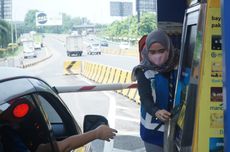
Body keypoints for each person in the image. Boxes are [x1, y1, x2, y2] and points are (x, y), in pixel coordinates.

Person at [131, 29, 179, 152]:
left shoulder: (178, 64)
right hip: (152, 131)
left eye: (161, 51)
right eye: (153, 52)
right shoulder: (143, 70)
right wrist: (156, 111)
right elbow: (145, 98)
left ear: (169, 48)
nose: (157, 55)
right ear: (147, 51)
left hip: (177, 129)